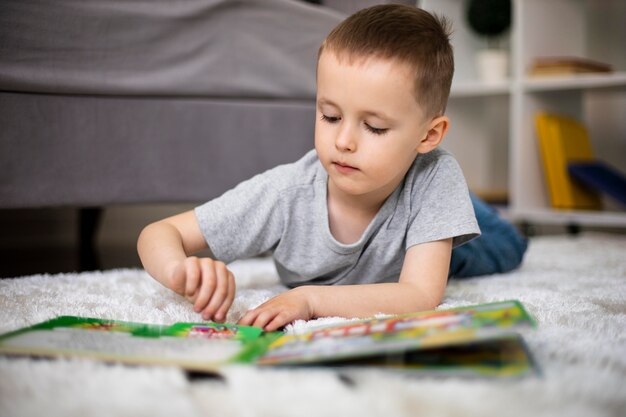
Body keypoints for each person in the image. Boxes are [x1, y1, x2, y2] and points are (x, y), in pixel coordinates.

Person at [138, 5, 523, 332]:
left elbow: (421, 295)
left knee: (509, 247)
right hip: (409, 199)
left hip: (444, 241)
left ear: (429, 135)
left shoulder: (434, 176)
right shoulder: (287, 193)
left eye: (374, 127)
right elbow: (160, 232)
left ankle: (471, 210)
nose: (344, 142)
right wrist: (182, 273)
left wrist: (309, 300)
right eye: (330, 116)